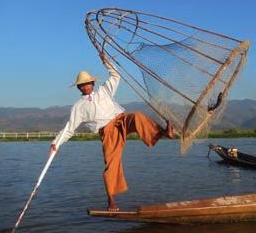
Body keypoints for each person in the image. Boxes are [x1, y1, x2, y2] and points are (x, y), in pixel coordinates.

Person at [50, 53, 175, 211]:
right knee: (111, 163)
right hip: (108, 132)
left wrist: (107, 62)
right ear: (79, 87)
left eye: (88, 83)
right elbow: (69, 128)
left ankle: (164, 132)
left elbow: (116, 75)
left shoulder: (104, 91)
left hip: (121, 120)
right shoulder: (79, 106)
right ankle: (111, 200)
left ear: (93, 83)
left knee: (137, 116)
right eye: (83, 84)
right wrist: (56, 143)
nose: (86, 86)